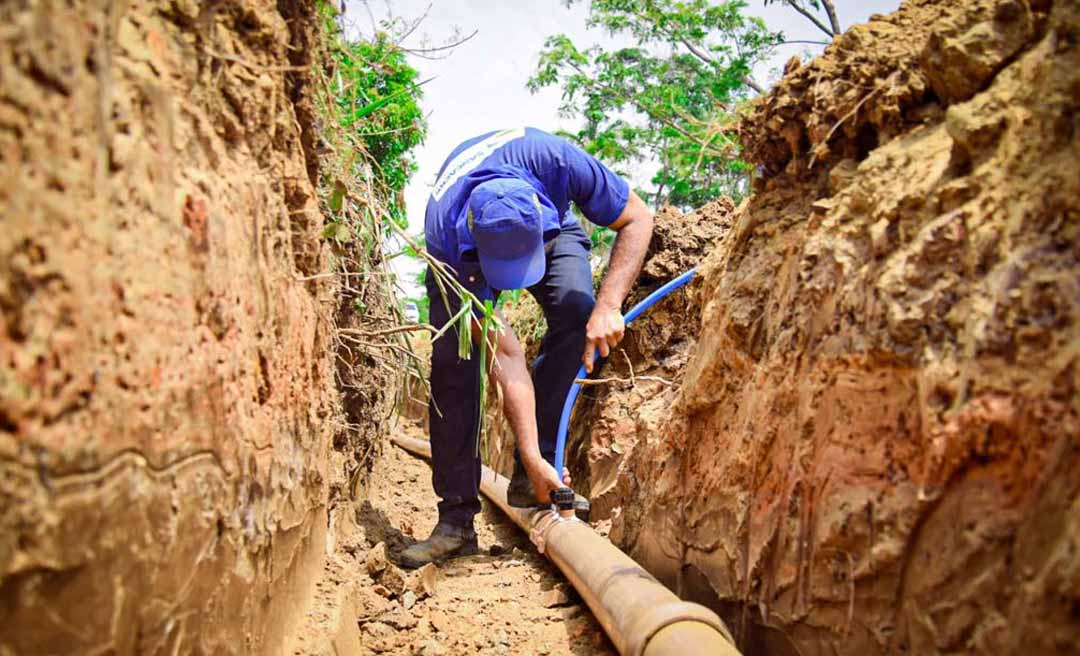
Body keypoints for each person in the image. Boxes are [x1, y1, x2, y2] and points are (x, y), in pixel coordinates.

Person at [399, 127, 654, 568]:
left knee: (577, 314)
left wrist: (609, 305)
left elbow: (638, 217)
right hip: (464, 260)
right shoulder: (447, 238)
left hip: (554, 233)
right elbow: (506, 354)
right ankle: (456, 520)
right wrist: (531, 450)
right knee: (454, 366)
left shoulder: (556, 161)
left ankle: (532, 477)